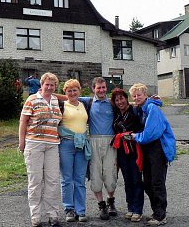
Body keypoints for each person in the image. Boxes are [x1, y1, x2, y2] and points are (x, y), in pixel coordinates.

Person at [18, 72, 63, 227]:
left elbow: (68, 99)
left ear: (55, 86)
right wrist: (21, 142)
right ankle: (35, 216)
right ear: (41, 85)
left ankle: (53, 215)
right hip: (34, 144)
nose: (49, 87)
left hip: (52, 145)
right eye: (47, 84)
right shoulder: (31, 100)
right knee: (35, 181)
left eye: (52, 85)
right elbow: (23, 122)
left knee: (52, 181)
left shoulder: (56, 100)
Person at [129, 83, 176, 226]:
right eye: (134, 95)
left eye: (139, 95)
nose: (137, 98)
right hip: (148, 149)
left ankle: (161, 215)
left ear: (145, 95)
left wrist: (135, 136)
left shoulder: (151, 108)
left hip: (158, 148)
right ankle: (157, 212)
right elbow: (133, 105)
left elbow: (151, 133)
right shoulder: (142, 108)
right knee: (148, 183)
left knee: (157, 182)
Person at [79, 77, 117, 220]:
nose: (101, 90)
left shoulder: (112, 103)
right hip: (94, 140)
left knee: (110, 174)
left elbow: (129, 103)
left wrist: (150, 100)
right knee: (95, 175)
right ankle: (101, 205)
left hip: (110, 142)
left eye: (103, 87)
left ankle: (111, 201)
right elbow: (69, 95)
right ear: (93, 89)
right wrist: (45, 93)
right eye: (98, 88)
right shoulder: (87, 102)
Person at [58, 79, 91, 223]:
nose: (72, 93)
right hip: (66, 144)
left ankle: (81, 210)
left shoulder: (85, 104)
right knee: (66, 179)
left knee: (80, 179)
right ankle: (69, 209)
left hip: (82, 145)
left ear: (79, 91)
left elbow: (106, 100)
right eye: (69, 90)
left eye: (74, 90)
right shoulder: (62, 105)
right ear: (65, 93)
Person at [110, 88, 145, 222]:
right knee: (127, 180)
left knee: (136, 179)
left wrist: (154, 100)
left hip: (134, 149)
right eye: (117, 100)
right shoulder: (116, 114)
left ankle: (138, 209)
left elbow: (146, 107)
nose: (120, 102)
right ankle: (130, 207)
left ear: (126, 98)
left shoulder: (135, 110)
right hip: (122, 151)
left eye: (122, 98)